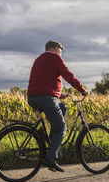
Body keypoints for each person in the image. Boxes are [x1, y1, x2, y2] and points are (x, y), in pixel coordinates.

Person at [27, 40, 87, 172]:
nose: (61, 55)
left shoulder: (39, 59)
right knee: (61, 127)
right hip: (46, 99)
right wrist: (82, 89)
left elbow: (42, 84)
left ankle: (50, 141)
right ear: (54, 49)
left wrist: (59, 96)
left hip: (33, 98)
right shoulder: (54, 58)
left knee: (62, 108)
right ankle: (51, 158)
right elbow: (68, 75)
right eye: (60, 52)